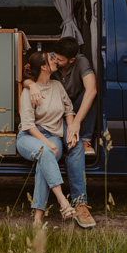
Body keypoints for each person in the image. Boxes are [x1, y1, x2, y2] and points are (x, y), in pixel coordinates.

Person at [24, 36, 98, 228]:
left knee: (74, 144)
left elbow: (91, 90)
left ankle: (80, 203)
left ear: (72, 60)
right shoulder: (47, 61)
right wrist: (30, 84)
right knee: (62, 147)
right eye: (53, 57)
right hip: (54, 117)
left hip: (70, 112)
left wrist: (75, 125)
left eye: (59, 59)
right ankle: (57, 207)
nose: (54, 60)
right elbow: (28, 73)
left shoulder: (80, 62)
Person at [16, 51, 79, 227]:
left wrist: (71, 129)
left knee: (45, 159)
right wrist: (48, 143)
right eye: (51, 59)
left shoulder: (57, 86)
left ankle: (37, 218)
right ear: (44, 67)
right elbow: (28, 125)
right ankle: (62, 201)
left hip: (53, 135)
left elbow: (68, 110)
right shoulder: (29, 91)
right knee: (46, 152)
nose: (55, 60)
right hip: (29, 137)